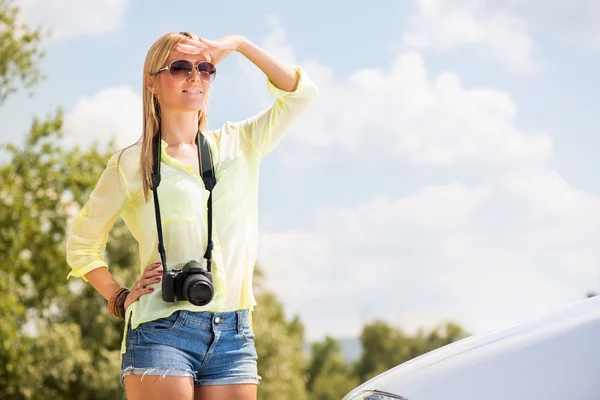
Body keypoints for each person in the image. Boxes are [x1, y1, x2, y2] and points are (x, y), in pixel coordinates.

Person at [65, 31, 318, 400]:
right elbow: (82, 245)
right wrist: (118, 296)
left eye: (205, 68)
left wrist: (239, 45)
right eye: (180, 67)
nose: (194, 76)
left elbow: (301, 94)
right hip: (161, 328)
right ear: (152, 82)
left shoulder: (240, 144)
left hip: (235, 330)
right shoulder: (132, 165)